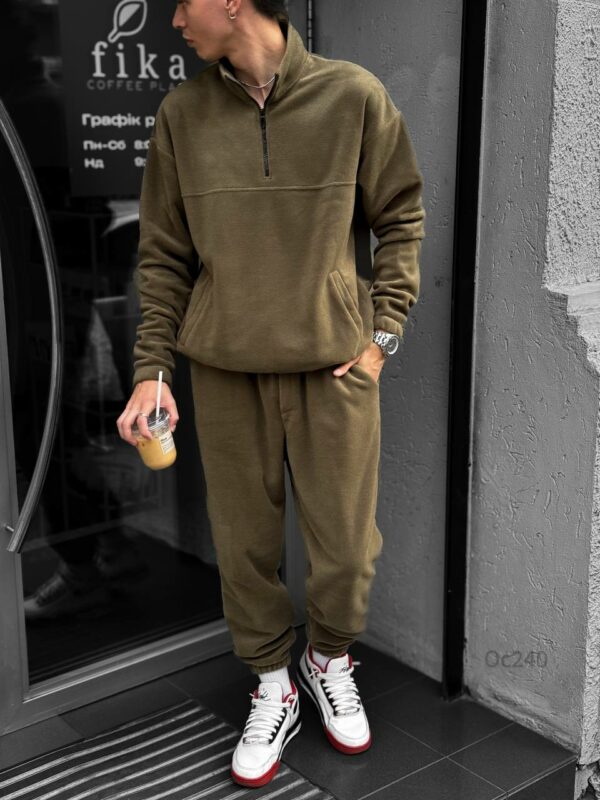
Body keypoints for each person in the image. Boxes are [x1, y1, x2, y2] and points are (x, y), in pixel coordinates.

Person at [117, 0, 426, 788]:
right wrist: (152, 368)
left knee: (348, 551)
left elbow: (401, 217)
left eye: (184, 3)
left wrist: (383, 334)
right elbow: (163, 255)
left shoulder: (353, 96)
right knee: (244, 547)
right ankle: (272, 683)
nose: (175, 19)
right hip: (226, 370)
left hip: (335, 370)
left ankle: (328, 660)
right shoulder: (182, 115)